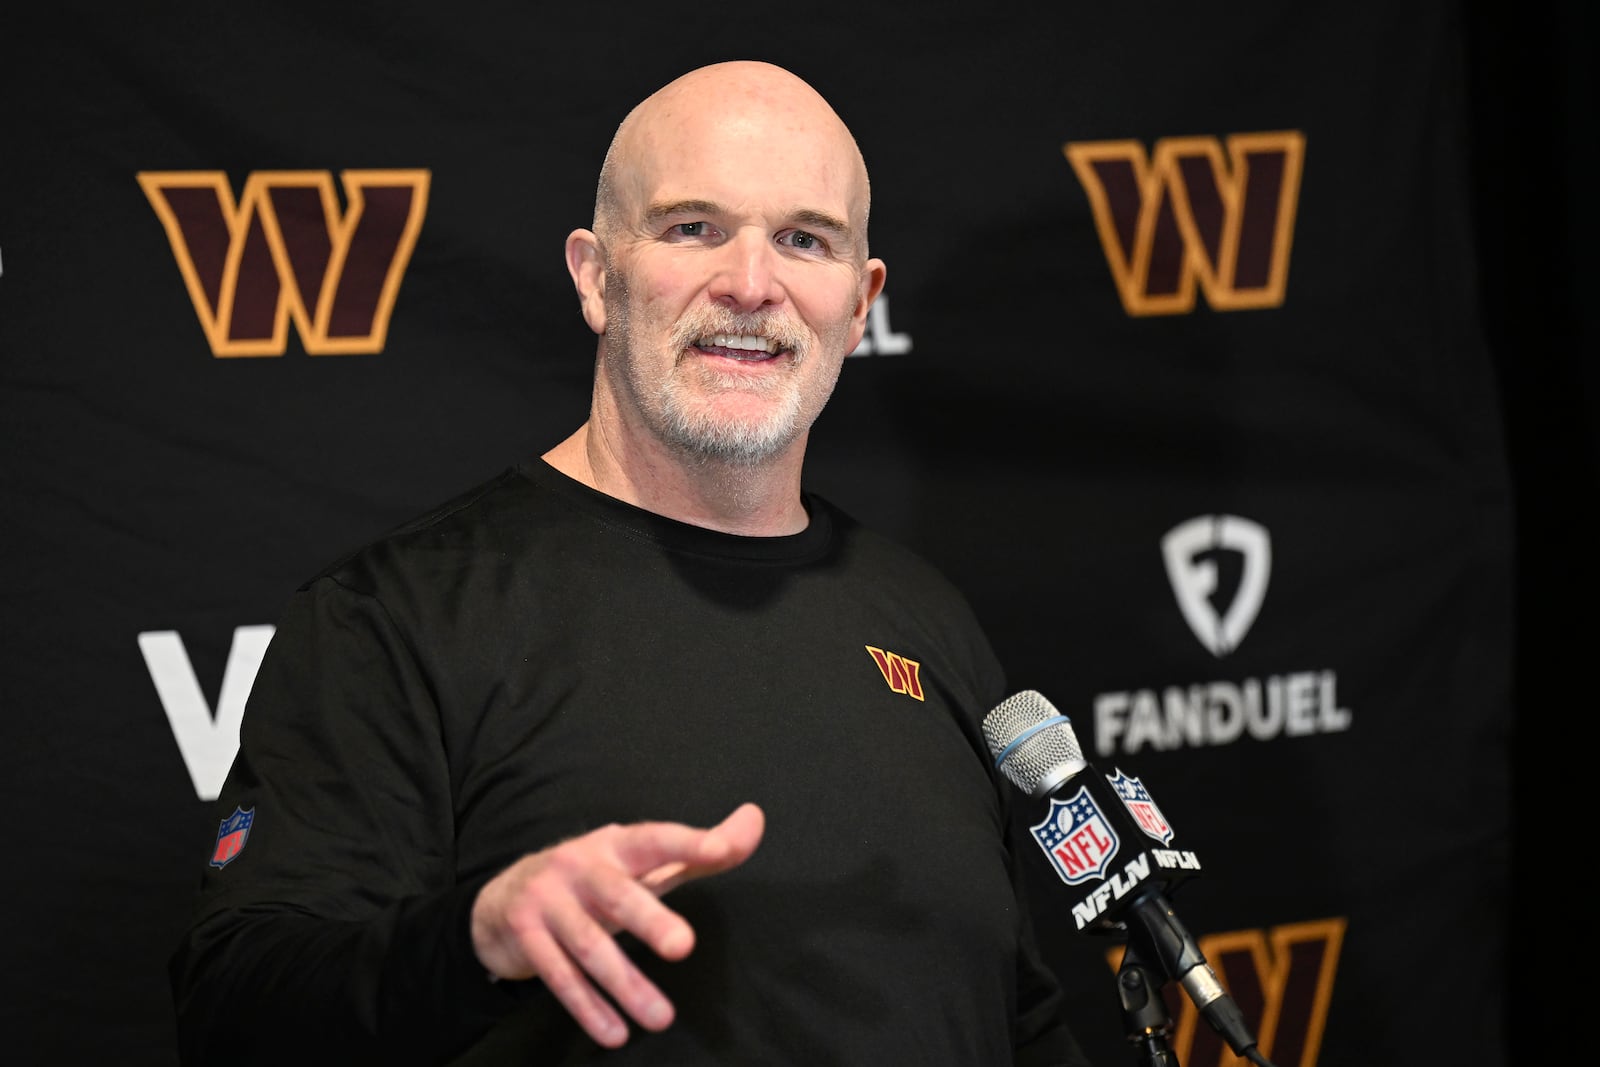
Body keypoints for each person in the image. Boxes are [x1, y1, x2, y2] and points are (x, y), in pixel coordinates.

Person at [170, 60, 1094, 1066]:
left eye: (803, 239)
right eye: (692, 227)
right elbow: (238, 1010)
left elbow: (1013, 1014)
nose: (750, 284)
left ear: (860, 301)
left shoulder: (924, 615)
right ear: (595, 275)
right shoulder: (396, 616)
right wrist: (473, 940)